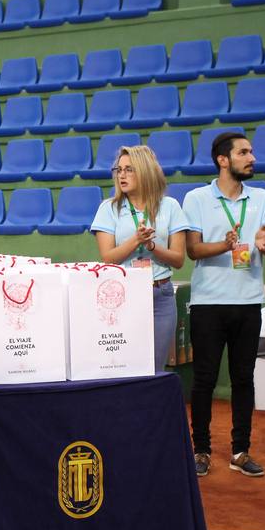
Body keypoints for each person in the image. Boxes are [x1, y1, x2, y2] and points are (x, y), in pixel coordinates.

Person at [182, 132, 265, 478]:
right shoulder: (195, 198)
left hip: (249, 301)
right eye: (244, 152)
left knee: (243, 378)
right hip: (208, 302)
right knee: (204, 380)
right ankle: (201, 450)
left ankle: (240, 451)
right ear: (223, 160)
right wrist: (225, 245)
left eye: (251, 151)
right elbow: (192, 250)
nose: (251, 158)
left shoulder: (263, 198)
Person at [90, 144, 192, 374]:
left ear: (145, 171)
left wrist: (152, 246)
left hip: (161, 295)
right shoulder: (109, 208)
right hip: (124, 295)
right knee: (126, 366)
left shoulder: (170, 206)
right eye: (119, 169)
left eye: (129, 169)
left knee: (155, 367)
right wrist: (135, 240)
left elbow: (178, 259)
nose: (122, 175)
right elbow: (108, 258)